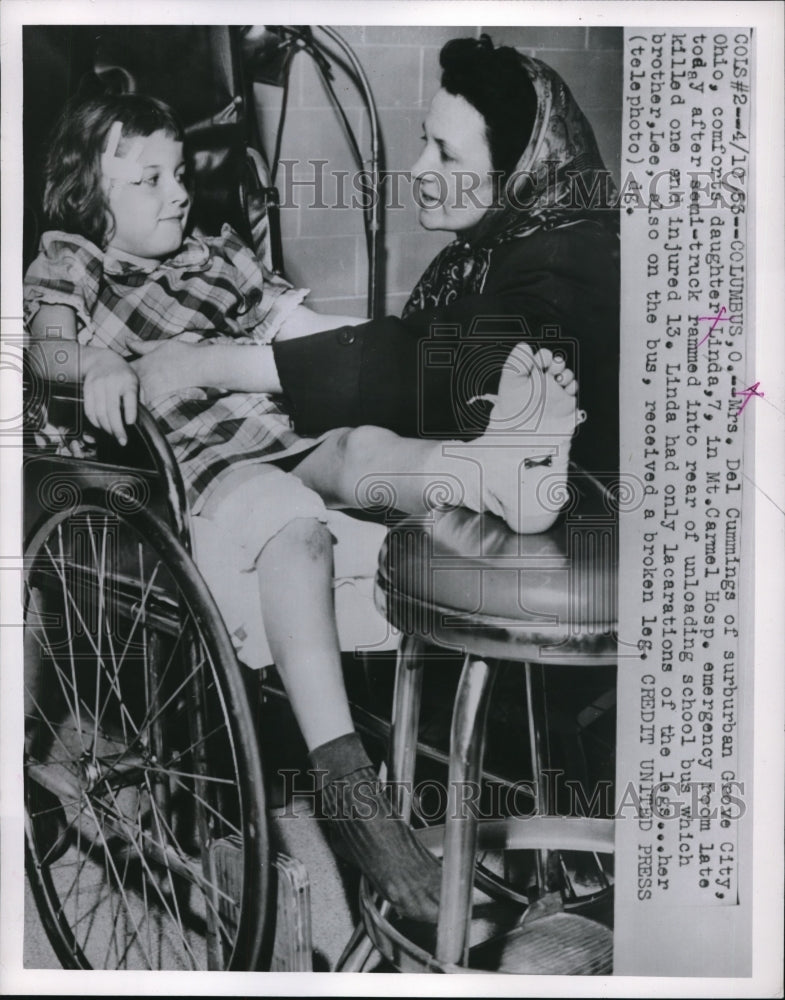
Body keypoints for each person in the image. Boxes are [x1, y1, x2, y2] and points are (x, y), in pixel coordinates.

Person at [24, 73, 583, 924]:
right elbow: (46, 350)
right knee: (296, 529)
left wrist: (395, 353)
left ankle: (498, 473)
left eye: (181, 173)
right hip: (193, 467)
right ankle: (350, 794)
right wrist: (95, 364)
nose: (178, 193)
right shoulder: (75, 259)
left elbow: (300, 335)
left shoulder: (216, 259)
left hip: (274, 432)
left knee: (361, 447)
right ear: (86, 195)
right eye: (148, 180)